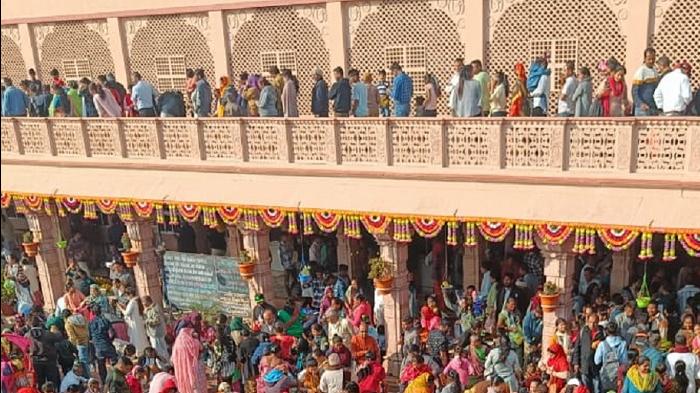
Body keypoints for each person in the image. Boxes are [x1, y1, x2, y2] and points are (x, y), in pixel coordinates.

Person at [26, 317, 62, 387]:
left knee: (40, 382)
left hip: (36, 362)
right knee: (52, 382)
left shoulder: (27, 335)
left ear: (30, 325)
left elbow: (26, 349)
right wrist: (57, 331)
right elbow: (58, 338)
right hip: (49, 361)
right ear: (40, 324)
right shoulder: (47, 334)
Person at [172, 327, 207, 393]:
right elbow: (201, 348)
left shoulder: (176, 345)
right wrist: (196, 338)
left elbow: (172, 359)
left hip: (182, 371)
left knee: (188, 386)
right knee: (197, 386)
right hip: (195, 369)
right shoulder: (193, 342)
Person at [88, 304, 118, 382]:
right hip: (107, 344)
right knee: (115, 362)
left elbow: (89, 336)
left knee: (101, 366)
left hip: (98, 347)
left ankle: (104, 382)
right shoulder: (105, 320)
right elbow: (112, 333)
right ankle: (117, 378)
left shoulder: (91, 323)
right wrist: (110, 341)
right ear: (100, 311)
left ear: (93, 313)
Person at [632, 48, 660, 116]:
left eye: (653, 59)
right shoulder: (641, 71)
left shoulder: (655, 71)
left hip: (653, 108)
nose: (651, 61)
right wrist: (640, 104)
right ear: (644, 59)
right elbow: (634, 91)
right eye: (649, 59)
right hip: (643, 109)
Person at [142, 296, 168, 360]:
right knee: (162, 348)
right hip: (154, 333)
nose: (143, 304)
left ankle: (163, 361)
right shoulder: (149, 309)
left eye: (143, 302)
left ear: (147, 301)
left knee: (159, 349)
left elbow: (157, 320)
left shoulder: (154, 308)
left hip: (156, 332)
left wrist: (146, 322)